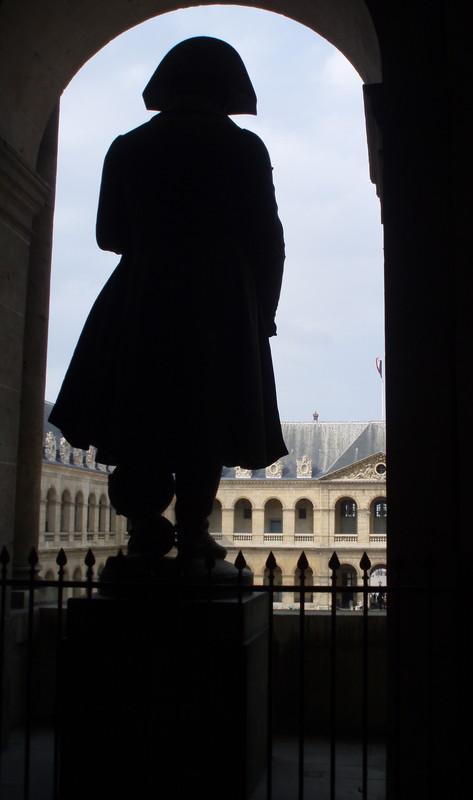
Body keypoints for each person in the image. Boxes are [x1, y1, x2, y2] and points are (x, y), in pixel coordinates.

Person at [49, 37, 287, 561]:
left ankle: (142, 529)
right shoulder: (244, 147)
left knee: (138, 416)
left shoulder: (127, 146)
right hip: (219, 301)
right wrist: (260, 313)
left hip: (142, 295)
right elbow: (269, 244)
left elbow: (109, 234)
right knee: (207, 420)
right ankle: (195, 531)